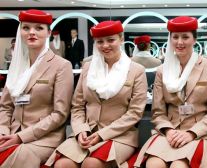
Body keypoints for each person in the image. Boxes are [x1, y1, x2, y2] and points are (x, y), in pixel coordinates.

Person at [46, 20, 147, 168]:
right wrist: (80, 130)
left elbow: (134, 113)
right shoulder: (88, 68)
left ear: (121, 39)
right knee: (62, 164)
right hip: (87, 132)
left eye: (111, 40)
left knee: (91, 164)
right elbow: (77, 106)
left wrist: (102, 134)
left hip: (120, 136)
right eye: (100, 41)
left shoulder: (136, 70)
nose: (105, 45)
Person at [134, 16, 207, 168]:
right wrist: (168, 131)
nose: (180, 42)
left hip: (199, 132)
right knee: (153, 165)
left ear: (194, 39)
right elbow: (157, 112)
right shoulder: (162, 70)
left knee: (179, 165)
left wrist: (191, 133)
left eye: (185, 37)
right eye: (175, 37)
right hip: (169, 131)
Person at [0, 9, 73, 167]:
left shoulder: (61, 66)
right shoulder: (17, 65)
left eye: (39, 28)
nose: (31, 32)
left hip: (43, 139)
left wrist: (21, 137)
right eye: (26, 28)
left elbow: (60, 114)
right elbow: (5, 106)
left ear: (48, 33)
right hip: (11, 133)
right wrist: (3, 130)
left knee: (17, 156)